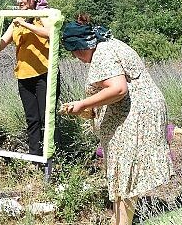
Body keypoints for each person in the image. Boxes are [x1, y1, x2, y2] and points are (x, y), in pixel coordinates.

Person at [60, 14, 173, 225]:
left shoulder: (102, 53)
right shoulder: (108, 44)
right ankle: (119, 219)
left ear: (80, 47)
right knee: (123, 170)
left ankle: (122, 222)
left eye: (75, 52)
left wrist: (83, 104)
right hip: (139, 110)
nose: (77, 58)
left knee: (125, 170)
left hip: (135, 115)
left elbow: (118, 89)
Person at [0, 0, 53, 156]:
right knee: (32, 119)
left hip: (44, 74)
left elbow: (51, 33)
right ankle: (35, 156)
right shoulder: (16, 22)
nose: (19, 1)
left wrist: (25, 23)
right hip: (23, 75)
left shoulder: (45, 15)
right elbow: (3, 42)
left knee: (47, 118)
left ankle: (51, 157)